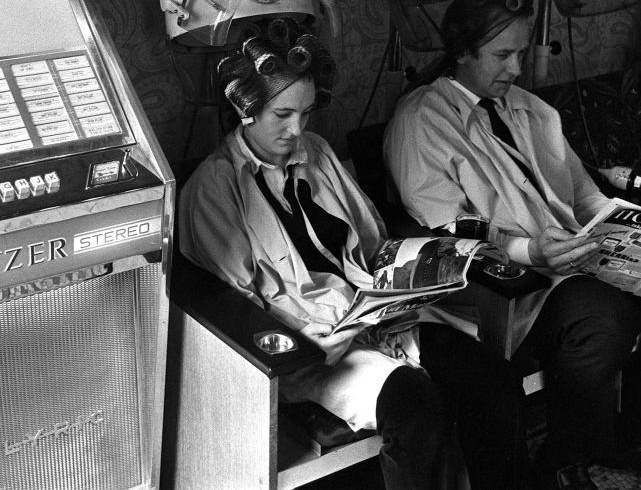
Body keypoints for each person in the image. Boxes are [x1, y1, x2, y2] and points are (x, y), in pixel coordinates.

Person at [383, 0, 641, 490]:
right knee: (606, 320)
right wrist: (531, 249)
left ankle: (636, 429)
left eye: (520, 52)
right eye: (501, 55)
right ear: (462, 51)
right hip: (513, 279)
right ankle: (563, 459)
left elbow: (585, 199)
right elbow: (447, 235)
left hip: (582, 250)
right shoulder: (421, 121)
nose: (516, 68)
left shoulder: (531, 110)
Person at [179, 30, 530, 490]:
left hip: (377, 316)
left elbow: (371, 241)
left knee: (492, 378)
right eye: (281, 114)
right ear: (246, 110)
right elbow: (240, 303)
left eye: (305, 113)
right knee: (415, 408)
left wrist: (428, 265)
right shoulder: (213, 189)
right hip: (309, 346)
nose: (296, 130)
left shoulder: (318, 154)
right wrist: (323, 331)